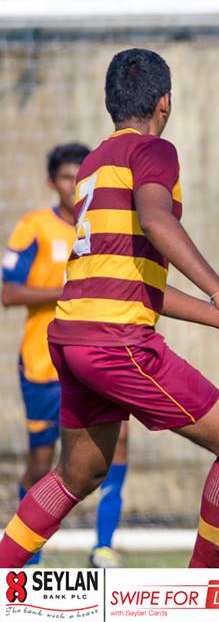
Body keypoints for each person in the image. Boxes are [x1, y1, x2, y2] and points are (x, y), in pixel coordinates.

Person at [0, 48, 219, 573]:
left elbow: (131, 280)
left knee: (76, 475)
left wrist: (218, 320)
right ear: (164, 102)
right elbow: (156, 221)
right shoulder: (154, 151)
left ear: (110, 104)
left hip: (72, 338)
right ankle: (202, 594)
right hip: (116, 343)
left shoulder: (92, 165)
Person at [2, 143, 130, 567]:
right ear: (51, 181)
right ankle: (27, 555)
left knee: (118, 442)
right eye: (64, 178)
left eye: (79, 177)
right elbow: (8, 291)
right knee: (44, 461)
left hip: (97, 357)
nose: (72, 185)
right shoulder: (34, 227)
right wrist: (67, 289)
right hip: (42, 363)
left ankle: (104, 546)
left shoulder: (105, 224)